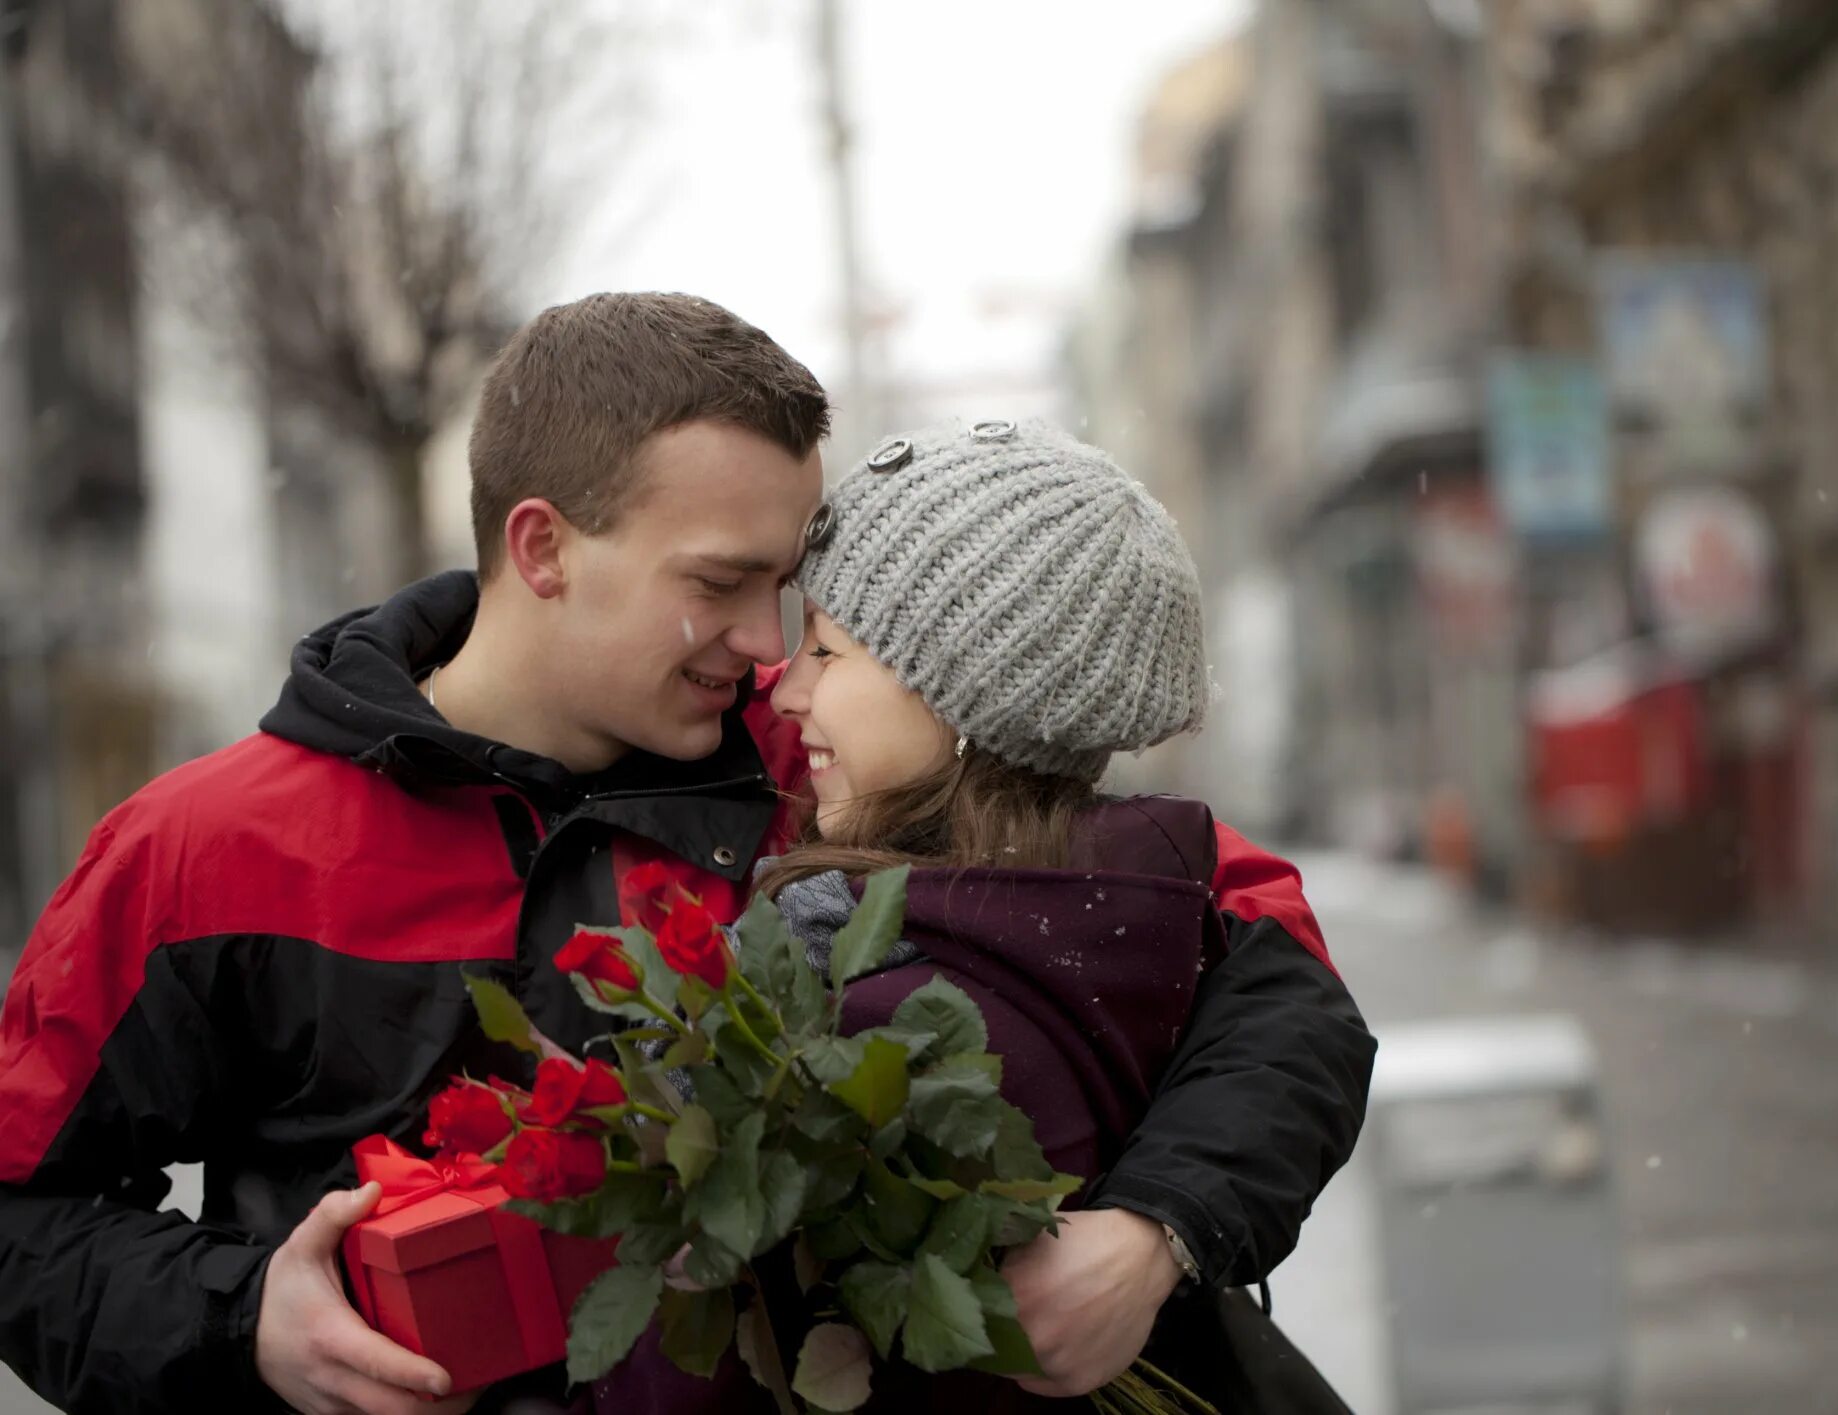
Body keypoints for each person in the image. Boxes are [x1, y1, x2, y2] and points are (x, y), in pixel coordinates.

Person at [0, 294, 1372, 1415]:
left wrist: (1157, 1227)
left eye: (790, 593)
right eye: (718, 585)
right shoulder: (205, 848)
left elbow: (1267, 969)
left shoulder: (841, 784)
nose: (773, 652)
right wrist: (248, 1322)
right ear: (542, 547)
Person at [587, 418, 1367, 1413]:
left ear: (959, 701)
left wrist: (1158, 1224)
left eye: (821, 644)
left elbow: (1279, 972)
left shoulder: (911, 1008)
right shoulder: (1118, 896)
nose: (784, 682)